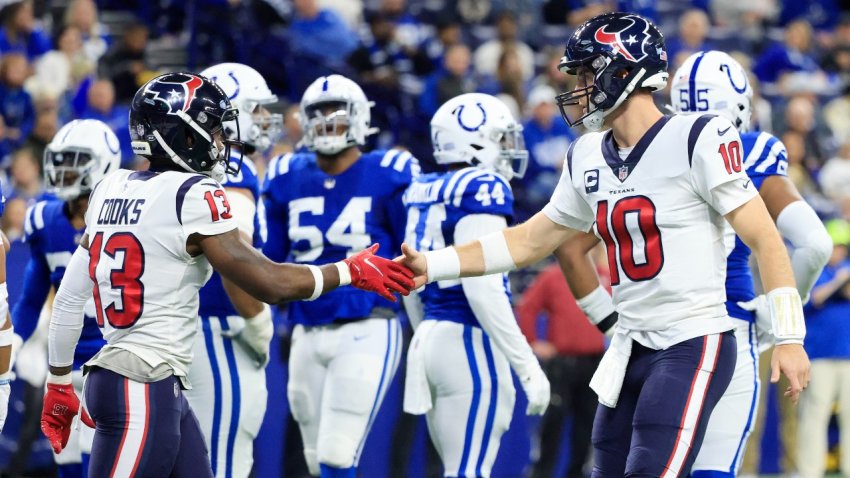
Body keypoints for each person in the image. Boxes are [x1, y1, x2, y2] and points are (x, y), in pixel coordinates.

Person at [397, 12, 811, 477]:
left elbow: (766, 239)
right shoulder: (588, 153)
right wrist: (433, 264)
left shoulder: (697, 136)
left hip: (692, 339)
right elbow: (532, 238)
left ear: (625, 69)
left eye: (589, 73)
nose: (581, 86)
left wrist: (790, 337)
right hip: (629, 346)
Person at [39, 72, 413, 477]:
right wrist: (348, 270)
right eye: (213, 130)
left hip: (143, 381)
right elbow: (268, 281)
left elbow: (71, 296)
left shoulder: (110, 186)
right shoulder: (195, 195)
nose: (219, 142)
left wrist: (58, 380)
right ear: (182, 135)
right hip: (141, 386)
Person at [669, 50, 832, 477]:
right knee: (718, 465)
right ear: (740, 102)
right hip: (729, 320)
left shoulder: (647, 151)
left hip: (655, 324)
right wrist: (778, 315)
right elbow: (814, 244)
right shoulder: (752, 149)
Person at [262, 74, 418, 478]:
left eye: (338, 112)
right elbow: (269, 262)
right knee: (315, 461)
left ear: (361, 117)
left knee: (336, 454)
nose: (329, 121)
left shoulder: (390, 171)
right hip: (304, 330)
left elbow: (415, 257)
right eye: (320, 113)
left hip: (367, 325)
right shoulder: (284, 173)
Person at [401, 92, 550, 478]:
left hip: (431, 336)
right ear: (474, 139)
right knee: (469, 470)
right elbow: (483, 289)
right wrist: (527, 365)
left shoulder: (424, 189)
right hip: (469, 340)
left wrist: (427, 333)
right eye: (501, 138)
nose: (509, 148)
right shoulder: (482, 186)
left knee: (457, 469)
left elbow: (409, 283)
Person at [183, 62, 283, 478]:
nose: (263, 120)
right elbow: (235, 258)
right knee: (224, 462)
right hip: (217, 330)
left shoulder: (175, 164)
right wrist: (260, 323)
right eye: (255, 110)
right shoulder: (233, 167)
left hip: (172, 328)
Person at [13, 119, 120, 477]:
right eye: (59, 160)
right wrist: (10, 345)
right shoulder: (44, 218)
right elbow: (31, 298)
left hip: (110, 368)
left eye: (74, 160)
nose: (63, 170)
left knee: (97, 467)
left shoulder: (126, 218)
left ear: (104, 162)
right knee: (69, 469)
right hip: (62, 367)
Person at [797, 219, 850, 478]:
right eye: (834, 246)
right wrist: (839, 282)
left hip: (848, 355)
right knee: (814, 415)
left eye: (842, 246)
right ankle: (810, 472)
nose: (838, 251)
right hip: (819, 355)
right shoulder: (816, 271)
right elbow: (815, 298)